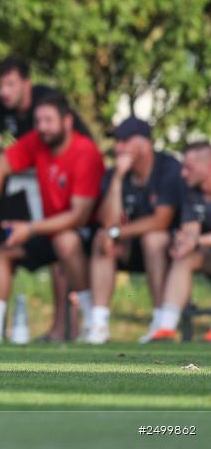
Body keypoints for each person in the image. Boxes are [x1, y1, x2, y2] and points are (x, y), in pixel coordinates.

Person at [0, 57, 91, 341]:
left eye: (11, 84)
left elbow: (79, 213)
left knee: (65, 243)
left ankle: (78, 326)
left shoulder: (79, 147)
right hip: (42, 213)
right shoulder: (28, 137)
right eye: (0, 85)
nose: (4, 91)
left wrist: (32, 228)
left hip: (73, 215)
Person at [86, 118, 183, 344]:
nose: (118, 147)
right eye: (117, 141)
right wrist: (118, 179)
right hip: (128, 248)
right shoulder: (114, 174)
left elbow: (161, 220)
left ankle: (160, 324)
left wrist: (116, 233)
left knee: (154, 239)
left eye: (125, 141)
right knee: (101, 240)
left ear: (145, 144)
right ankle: (98, 325)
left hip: (168, 251)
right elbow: (107, 221)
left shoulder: (169, 168)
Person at [145, 142, 211, 342]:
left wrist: (196, 240)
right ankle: (165, 328)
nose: (183, 173)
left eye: (188, 167)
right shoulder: (193, 191)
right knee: (184, 259)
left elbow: (197, 238)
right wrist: (183, 243)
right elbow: (191, 229)